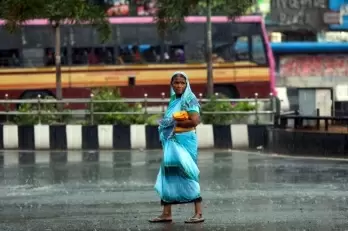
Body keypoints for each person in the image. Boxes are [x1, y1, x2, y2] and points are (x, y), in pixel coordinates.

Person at [148, 71, 204, 224]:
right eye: (176, 83)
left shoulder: (190, 99)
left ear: (187, 84)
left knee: (189, 172)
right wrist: (168, 124)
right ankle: (166, 213)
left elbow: (195, 121)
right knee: (168, 174)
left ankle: (198, 213)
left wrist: (173, 123)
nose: (179, 86)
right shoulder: (174, 99)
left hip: (186, 140)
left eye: (182, 83)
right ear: (171, 85)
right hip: (172, 141)